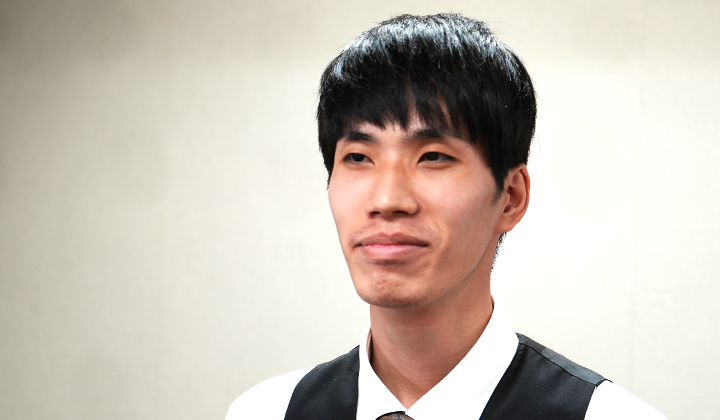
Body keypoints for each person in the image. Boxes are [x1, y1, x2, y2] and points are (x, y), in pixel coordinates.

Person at [225, 13, 666, 420]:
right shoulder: (266, 412)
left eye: (433, 156)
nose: (387, 199)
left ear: (510, 198)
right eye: (358, 157)